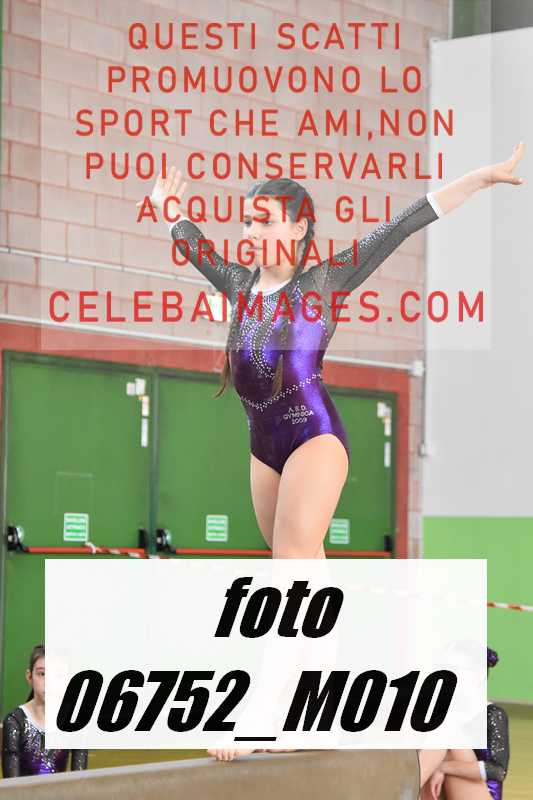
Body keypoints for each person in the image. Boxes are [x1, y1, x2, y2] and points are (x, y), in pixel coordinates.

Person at [142, 144, 524, 761]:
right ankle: (314, 709)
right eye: (248, 220)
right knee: (306, 575)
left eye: (265, 220)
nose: (251, 231)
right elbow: (194, 245)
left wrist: (478, 179)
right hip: (263, 444)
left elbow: (403, 223)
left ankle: (265, 707)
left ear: (297, 228)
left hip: (314, 438)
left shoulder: (322, 282)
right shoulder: (240, 285)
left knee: (289, 567)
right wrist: (169, 210)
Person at [419, 647, 510, 799]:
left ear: (479, 675)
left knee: (444, 733)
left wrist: (442, 767)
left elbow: (497, 771)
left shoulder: (493, 714)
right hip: (446, 790)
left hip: (481, 793)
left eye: (454, 669)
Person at [1, 644, 88, 778]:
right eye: (42, 674)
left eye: (58, 675)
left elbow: (80, 780)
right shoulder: (15, 722)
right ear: (29, 676)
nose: (49, 682)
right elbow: (12, 783)